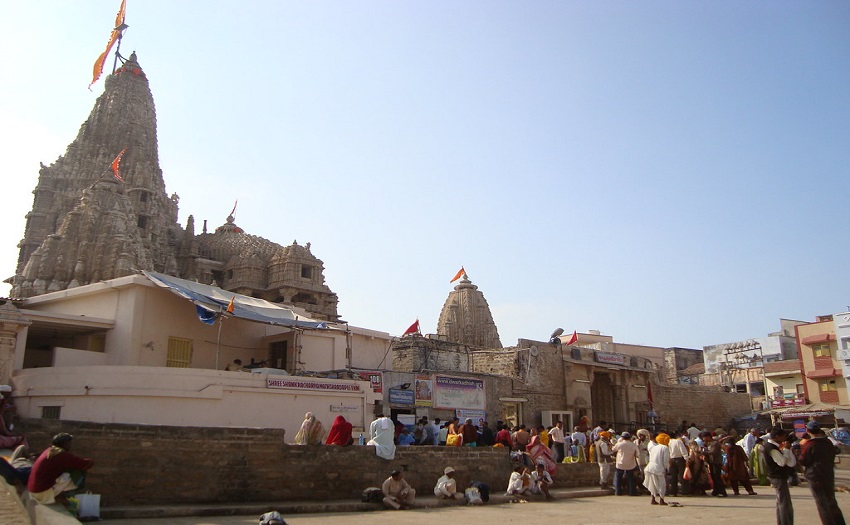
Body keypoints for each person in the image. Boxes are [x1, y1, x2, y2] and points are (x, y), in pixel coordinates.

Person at [28, 433, 94, 506]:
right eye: (69, 443)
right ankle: (61, 496)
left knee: (65, 471)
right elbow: (84, 463)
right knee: (73, 473)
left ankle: (59, 495)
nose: (70, 445)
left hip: (33, 492)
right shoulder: (61, 454)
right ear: (64, 444)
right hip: (41, 494)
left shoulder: (49, 451)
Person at [800, 421, 846, 525]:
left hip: (814, 475)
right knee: (831, 501)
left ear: (808, 431)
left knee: (822, 503)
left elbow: (803, 460)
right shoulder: (828, 442)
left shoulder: (809, 444)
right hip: (828, 474)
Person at [764, 426, 796, 525]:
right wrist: (786, 450)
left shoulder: (774, 446)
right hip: (777, 476)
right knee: (784, 503)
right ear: (777, 436)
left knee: (781, 502)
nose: (784, 440)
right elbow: (781, 462)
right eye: (783, 437)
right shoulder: (771, 448)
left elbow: (790, 462)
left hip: (778, 476)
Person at [643, 433, 670, 505]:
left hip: (650, 467)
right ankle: (662, 500)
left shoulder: (654, 447)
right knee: (662, 484)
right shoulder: (665, 448)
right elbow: (665, 460)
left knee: (653, 483)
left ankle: (653, 499)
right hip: (659, 468)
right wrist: (666, 469)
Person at [612, 432, 639, 496]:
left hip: (620, 464)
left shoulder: (619, 444)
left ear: (622, 437)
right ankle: (631, 492)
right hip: (630, 464)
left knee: (618, 478)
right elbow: (638, 454)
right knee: (630, 479)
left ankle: (617, 492)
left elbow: (613, 449)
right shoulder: (633, 445)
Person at [702, 432, 727, 497]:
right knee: (713, 476)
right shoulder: (709, 444)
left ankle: (722, 491)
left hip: (716, 462)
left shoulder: (715, 443)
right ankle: (716, 491)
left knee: (717, 477)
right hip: (712, 462)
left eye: (704, 437)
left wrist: (703, 452)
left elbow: (713, 452)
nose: (704, 439)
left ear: (708, 437)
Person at [668, 430, 689, 497]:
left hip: (671, 459)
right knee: (681, 476)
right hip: (680, 459)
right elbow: (683, 451)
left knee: (673, 476)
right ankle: (684, 491)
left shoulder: (668, 442)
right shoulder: (678, 441)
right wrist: (686, 460)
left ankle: (673, 491)